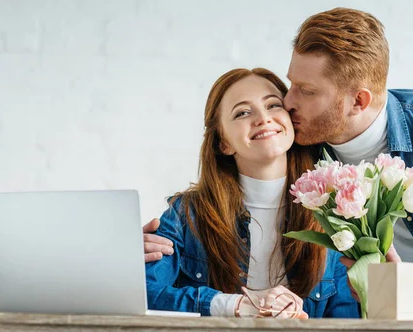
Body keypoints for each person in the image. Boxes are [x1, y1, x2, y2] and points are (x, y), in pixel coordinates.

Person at [144, 8, 413, 329]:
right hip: (373, 311)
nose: (287, 102)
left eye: (305, 92)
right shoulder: (303, 151)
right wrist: (130, 249)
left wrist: (410, 291)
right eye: (291, 84)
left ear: (357, 101)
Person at [144, 67, 358, 318]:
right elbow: (144, 294)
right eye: (243, 112)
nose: (263, 118)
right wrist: (234, 306)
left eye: (273, 105)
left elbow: (347, 321)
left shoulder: (333, 215)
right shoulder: (186, 214)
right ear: (223, 142)